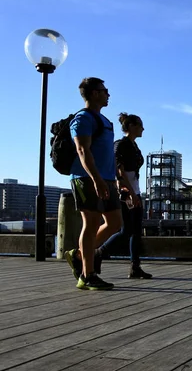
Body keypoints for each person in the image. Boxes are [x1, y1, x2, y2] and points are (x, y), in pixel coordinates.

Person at [64, 77, 122, 290]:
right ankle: (87, 275)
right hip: (86, 178)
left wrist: (114, 179)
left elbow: (108, 153)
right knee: (92, 222)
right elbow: (82, 151)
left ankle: (79, 254)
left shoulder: (105, 121)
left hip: (106, 179)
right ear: (95, 93)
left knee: (115, 223)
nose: (108, 94)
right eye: (104, 90)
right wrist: (96, 179)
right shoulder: (82, 119)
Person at [98, 113, 152, 279]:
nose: (143, 128)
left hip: (135, 190)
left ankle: (135, 267)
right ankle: (98, 253)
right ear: (132, 126)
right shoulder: (120, 144)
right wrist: (129, 193)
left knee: (136, 231)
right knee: (126, 230)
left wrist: (137, 194)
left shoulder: (134, 145)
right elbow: (119, 171)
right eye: (140, 125)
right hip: (124, 192)